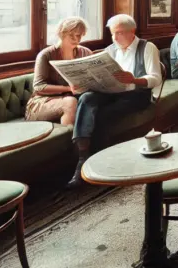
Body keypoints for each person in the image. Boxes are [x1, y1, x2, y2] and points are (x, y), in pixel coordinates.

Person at [68, 14, 162, 188]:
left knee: (101, 115)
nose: (115, 38)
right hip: (111, 92)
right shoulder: (110, 50)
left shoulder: (147, 48)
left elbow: (156, 78)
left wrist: (134, 79)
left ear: (132, 31)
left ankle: (100, 165)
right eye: (112, 34)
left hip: (137, 94)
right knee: (86, 98)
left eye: (119, 33)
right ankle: (83, 156)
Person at [25, 17, 90, 125]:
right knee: (70, 102)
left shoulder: (85, 52)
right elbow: (39, 87)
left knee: (92, 100)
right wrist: (68, 88)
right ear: (61, 34)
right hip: (42, 102)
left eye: (79, 35)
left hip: (74, 97)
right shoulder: (46, 55)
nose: (76, 39)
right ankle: (69, 141)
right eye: (71, 35)